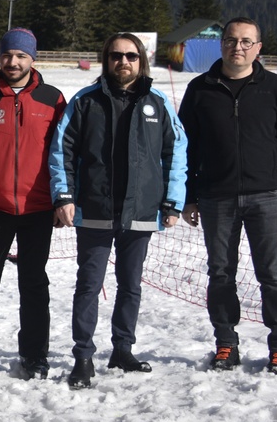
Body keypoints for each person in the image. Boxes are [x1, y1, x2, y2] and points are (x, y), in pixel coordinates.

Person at [50, 32, 187, 389]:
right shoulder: (85, 101)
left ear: (141, 61)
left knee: (130, 286)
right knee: (89, 285)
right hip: (94, 210)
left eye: (130, 56)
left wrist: (173, 202)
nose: (122, 62)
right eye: (115, 56)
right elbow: (61, 152)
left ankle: (122, 349)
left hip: (141, 211)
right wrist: (63, 197)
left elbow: (176, 152)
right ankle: (83, 355)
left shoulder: (158, 103)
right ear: (105, 60)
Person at [178, 17, 277, 376]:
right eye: (232, 40)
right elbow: (184, 149)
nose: (239, 47)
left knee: (274, 276)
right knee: (220, 274)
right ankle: (226, 343)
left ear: (258, 47)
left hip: (266, 196)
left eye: (247, 41)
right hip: (215, 198)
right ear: (222, 44)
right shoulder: (200, 89)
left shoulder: (273, 87)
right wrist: (188, 196)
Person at [0, 29, 65, 381]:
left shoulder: (53, 100)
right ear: (0, 57)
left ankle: (35, 355)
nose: (13, 62)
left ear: (33, 59)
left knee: (34, 284)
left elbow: (62, 154)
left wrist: (61, 198)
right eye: (8, 55)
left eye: (21, 56)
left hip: (38, 209)